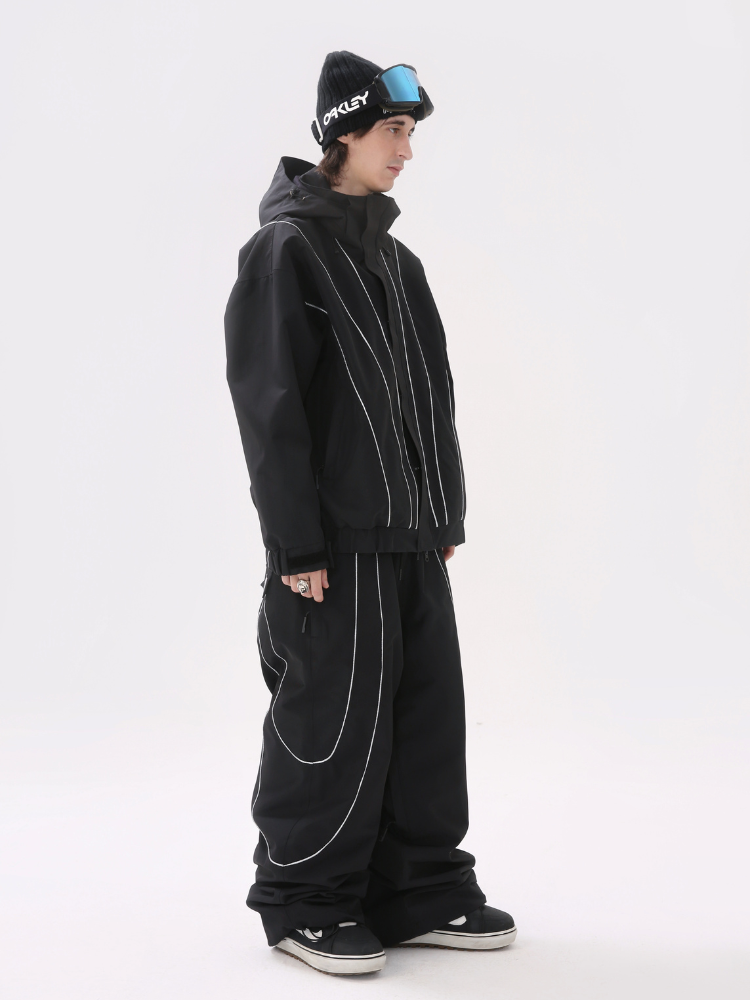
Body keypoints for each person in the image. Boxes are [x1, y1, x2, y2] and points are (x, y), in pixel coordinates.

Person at [224, 50, 516, 976]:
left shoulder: (397, 260)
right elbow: (270, 410)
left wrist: (442, 514)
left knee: (428, 717)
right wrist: (295, 546)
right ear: (343, 133)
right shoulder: (285, 252)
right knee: (333, 721)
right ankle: (305, 899)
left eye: (410, 134)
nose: (406, 151)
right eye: (394, 131)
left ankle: (418, 889)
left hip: (410, 536)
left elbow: (432, 393)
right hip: (333, 546)